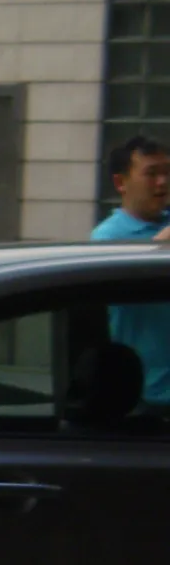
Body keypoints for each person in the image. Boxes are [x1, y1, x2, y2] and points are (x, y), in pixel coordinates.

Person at [92, 136, 170, 407]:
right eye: (151, 174)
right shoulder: (108, 238)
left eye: (166, 172)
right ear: (121, 183)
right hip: (148, 397)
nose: (162, 182)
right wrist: (159, 246)